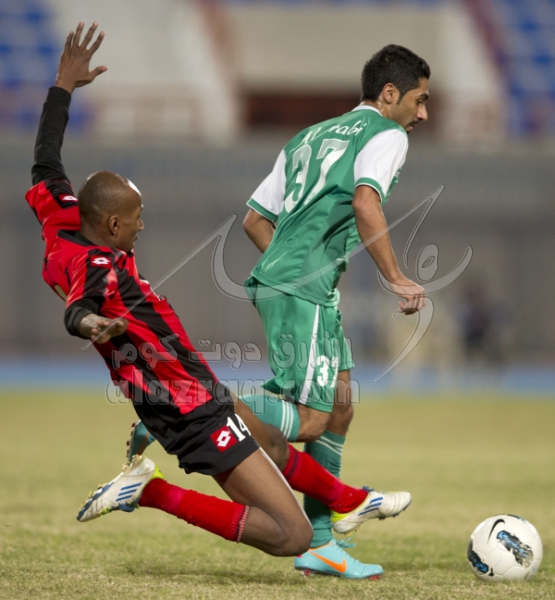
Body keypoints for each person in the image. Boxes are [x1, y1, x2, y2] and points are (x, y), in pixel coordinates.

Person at [26, 22, 409, 576]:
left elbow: (45, 159)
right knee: (290, 533)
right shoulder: (98, 266)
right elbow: (78, 307)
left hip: (186, 384)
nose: (141, 226)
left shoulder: (62, 216)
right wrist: (90, 325)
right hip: (181, 403)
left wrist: (63, 87)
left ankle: (352, 501)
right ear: (110, 225)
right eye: (135, 220)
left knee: (273, 439)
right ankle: (151, 493)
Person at [238, 44, 430, 574]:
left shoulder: (308, 136)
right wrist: (395, 278)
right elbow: (366, 202)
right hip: (303, 289)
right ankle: (198, 409)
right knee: (312, 419)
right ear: (389, 94)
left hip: (301, 286)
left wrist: (291, 271)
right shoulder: (387, 134)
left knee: (340, 403)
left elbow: (254, 219)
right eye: (419, 99)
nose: (423, 113)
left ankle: (322, 543)